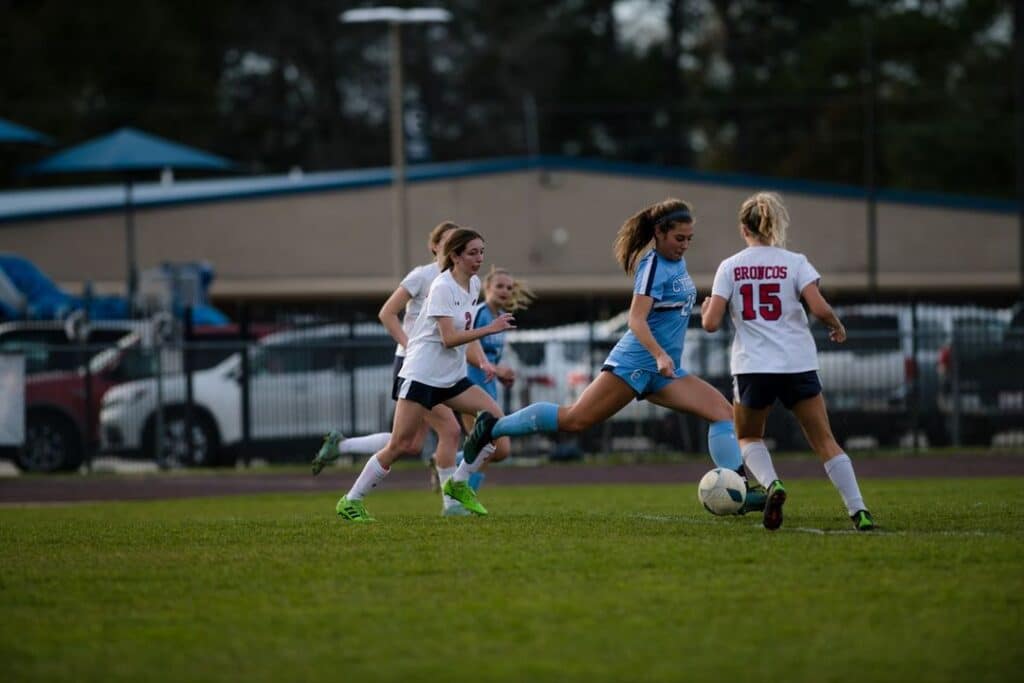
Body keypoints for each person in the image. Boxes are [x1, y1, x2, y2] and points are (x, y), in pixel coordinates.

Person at [459, 198, 764, 515]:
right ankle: (492, 428)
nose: (684, 245)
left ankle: (740, 492)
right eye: (679, 238)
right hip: (635, 363)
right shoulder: (653, 266)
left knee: (722, 412)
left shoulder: (677, 262)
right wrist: (659, 354)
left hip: (664, 371)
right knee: (574, 419)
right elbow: (636, 319)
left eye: (689, 239)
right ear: (659, 233)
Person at [700, 191, 875, 531]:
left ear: (743, 228)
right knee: (825, 440)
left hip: (753, 367)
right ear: (776, 224)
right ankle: (859, 511)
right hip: (797, 363)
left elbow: (710, 324)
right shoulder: (795, 262)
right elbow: (819, 307)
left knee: (749, 437)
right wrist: (836, 325)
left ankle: (773, 485)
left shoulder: (730, 266)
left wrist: (708, 308)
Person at [335, 228, 514, 522]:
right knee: (401, 444)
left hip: (451, 377)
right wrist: (490, 329)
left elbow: (464, 337)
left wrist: (484, 363)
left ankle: (458, 483)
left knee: (493, 419)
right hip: (422, 374)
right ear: (454, 256)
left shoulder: (472, 284)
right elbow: (449, 338)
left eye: (482, 251)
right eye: (472, 252)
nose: (479, 258)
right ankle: (351, 500)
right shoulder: (442, 286)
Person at [311, 221, 466, 512]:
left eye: (457, 240)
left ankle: (341, 446)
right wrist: (411, 346)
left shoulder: (459, 280)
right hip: (414, 364)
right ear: (435, 247)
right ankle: (451, 505)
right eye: (447, 241)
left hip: (431, 366)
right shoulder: (423, 275)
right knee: (449, 430)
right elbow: (387, 313)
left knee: (412, 443)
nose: (452, 246)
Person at [443, 266, 535, 492]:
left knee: (491, 449)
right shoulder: (479, 313)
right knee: (492, 448)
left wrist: (500, 375)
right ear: (487, 288)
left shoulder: (498, 318)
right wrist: (493, 368)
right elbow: (466, 347)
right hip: (469, 388)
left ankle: (448, 464)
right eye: (499, 286)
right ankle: (452, 475)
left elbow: (488, 355)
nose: (504, 291)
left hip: (489, 389)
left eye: (509, 287)